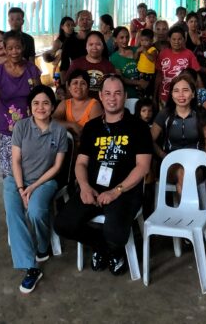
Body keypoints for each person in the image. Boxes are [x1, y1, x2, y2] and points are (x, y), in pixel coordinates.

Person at [54, 76, 152, 276]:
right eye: (107, 93)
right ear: (100, 96)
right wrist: (84, 186)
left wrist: (116, 191)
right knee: (62, 224)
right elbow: (81, 163)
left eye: (117, 93)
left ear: (125, 96)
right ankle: (101, 246)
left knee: (115, 232)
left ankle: (114, 249)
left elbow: (143, 167)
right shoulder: (92, 127)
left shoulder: (138, 127)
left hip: (125, 190)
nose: (112, 98)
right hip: (93, 187)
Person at [5, 85, 69, 294]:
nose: (40, 107)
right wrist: (22, 187)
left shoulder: (59, 131)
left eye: (45, 103)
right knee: (14, 215)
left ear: (52, 106)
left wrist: (32, 187)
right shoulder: (21, 126)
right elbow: (15, 160)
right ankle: (30, 267)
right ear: (30, 107)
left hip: (45, 180)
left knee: (36, 211)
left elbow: (57, 167)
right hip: (16, 180)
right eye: (36, 103)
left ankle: (43, 245)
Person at [0, 33, 41, 178]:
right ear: (4, 49)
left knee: (30, 169)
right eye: (10, 48)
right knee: (9, 173)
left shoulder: (32, 70)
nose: (14, 52)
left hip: (30, 129)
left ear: (23, 47)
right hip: (5, 130)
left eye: (17, 47)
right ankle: (12, 199)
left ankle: (28, 198)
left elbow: (41, 97)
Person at [150, 73, 206, 197]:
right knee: (181, 172)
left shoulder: (200, 114)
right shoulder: (165, 114)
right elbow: (149, 139)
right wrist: (163, 155)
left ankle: (184, 213)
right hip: (170, 164)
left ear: (193, 93)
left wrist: (200, 161)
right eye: (176, 91)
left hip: (196, 164)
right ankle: (188, 213)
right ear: (172, 94)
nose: (181, 95)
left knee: (186, 173)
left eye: (185, 90)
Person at [155, 25, 202, 108]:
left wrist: (202, 93)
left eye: (180, 39)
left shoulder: (189, 54)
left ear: (184, 39)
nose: (176, 42)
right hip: (164, 96)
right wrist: (155, 94)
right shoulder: (163, 54)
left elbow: (196, 75)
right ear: (169, 39)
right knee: (165, 119)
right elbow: (159, 75)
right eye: (174, 39)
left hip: (183, 98)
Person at [52, 70, 103, 144]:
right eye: (75, 83)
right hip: (67, 150)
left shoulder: (94, 105)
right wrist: (72, 125)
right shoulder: (65, 104)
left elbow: (95, 134)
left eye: (83, 83)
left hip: (89, 150)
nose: (78, 86)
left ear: (88, 88)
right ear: (69, 87)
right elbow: (51, 122)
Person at [109, 27, 146, 100]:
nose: (125, 40)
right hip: (128, 96)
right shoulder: (113, 58)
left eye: (127, 37)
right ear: (115, 39)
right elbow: (121, 78)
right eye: (121, 37)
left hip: (144, 94)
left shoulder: (137, 50)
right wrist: (139, 83)